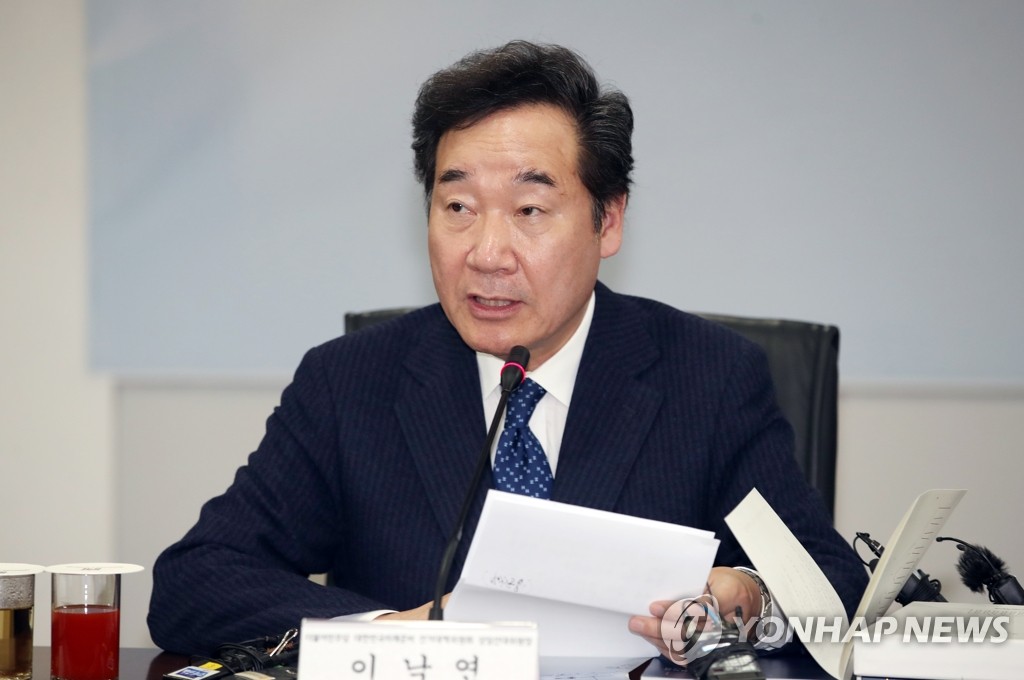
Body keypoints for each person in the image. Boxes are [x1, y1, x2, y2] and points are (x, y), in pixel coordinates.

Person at [148, 40, 867, 657]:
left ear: (608, 220)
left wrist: (742, 594)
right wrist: (400, 634)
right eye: (458, 206)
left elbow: (833, 589)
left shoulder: (709, 378)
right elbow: (194, 583)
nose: (487, 253)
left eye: (529, 210)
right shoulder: (349, 382)